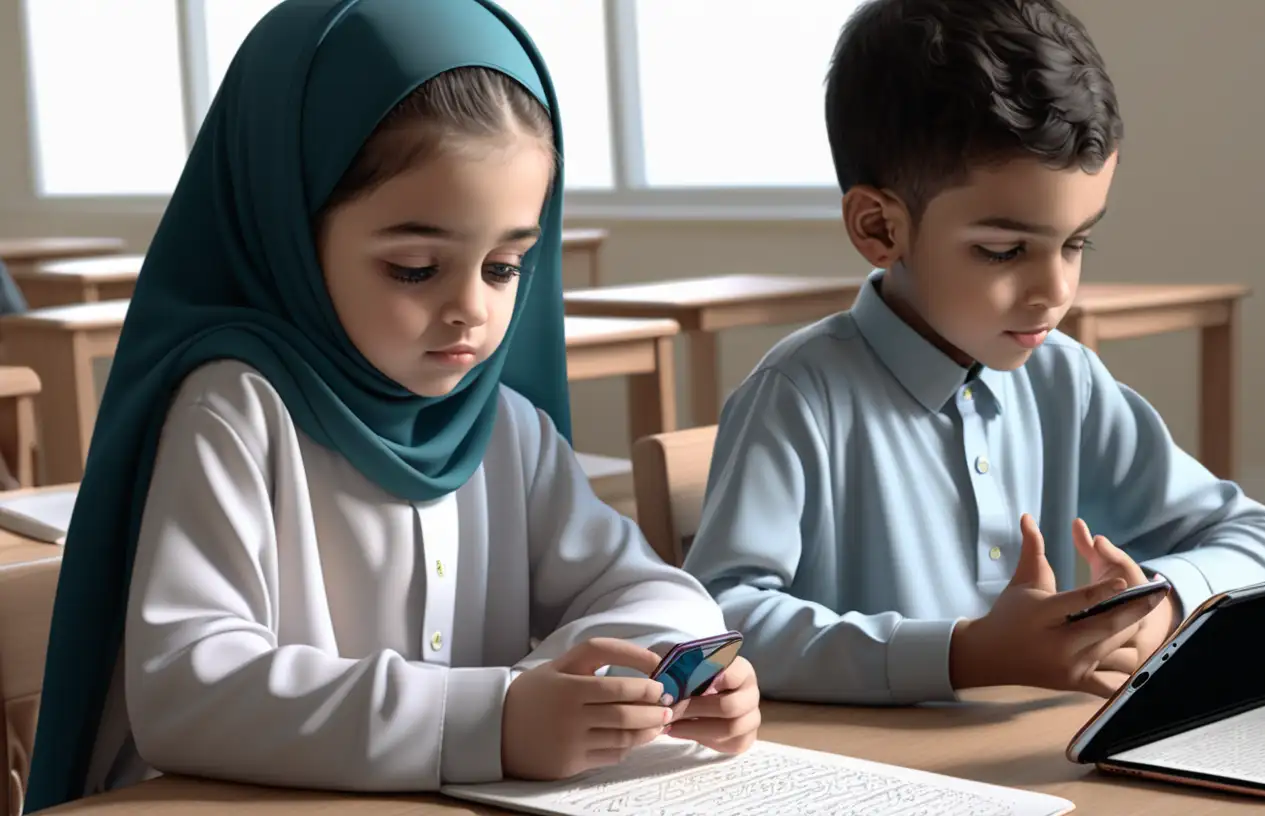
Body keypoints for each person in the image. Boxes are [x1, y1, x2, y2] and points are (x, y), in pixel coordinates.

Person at [23, 1, 759, 811]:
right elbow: (192, 688)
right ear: (292, 233)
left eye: (507, 266)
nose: (471, 310)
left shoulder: (503, 426)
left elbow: (649, 589)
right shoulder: (235, 410)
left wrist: (664, 670)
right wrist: (495, 718)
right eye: (415, 268)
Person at [682, 0, 1265, 706]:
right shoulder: (800, 396)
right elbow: (717, 626)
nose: (1056, 290)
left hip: (1038, 764)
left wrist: (1164, 604)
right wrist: (961, 655)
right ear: (879, 227)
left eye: (1076, 243)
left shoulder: (1063, 379)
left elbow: (1263, 538)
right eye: (1004, 251)